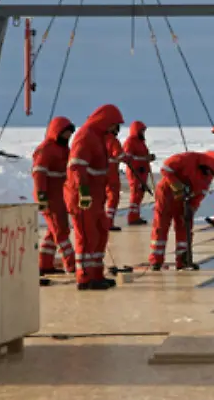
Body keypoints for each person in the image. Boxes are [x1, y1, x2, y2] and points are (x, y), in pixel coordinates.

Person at [65, 104, 125, 291]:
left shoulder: (99, 138)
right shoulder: (85, 137)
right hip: (83, 198)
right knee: (86, 237)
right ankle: (84, 278)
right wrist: (83, 191)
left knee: (100, 234)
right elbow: (77, 166)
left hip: (96, 197)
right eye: (115, 125)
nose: (116, 130)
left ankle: (96, 275)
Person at [148, 151, 214, 270]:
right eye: (210, 171)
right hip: (166, 194)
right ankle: (156, 260)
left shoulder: (207, 177)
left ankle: (183, 260)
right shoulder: (188, 158)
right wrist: (175, 183)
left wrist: (192, 208)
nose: (210, 174)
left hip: (185, 199)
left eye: (213, 173)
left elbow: (201, 193)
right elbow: (165, 168)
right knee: (161, 225)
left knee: (185, 227)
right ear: (206, 164)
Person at [33, 117, 76, 275]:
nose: (67, 137)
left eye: (69, 134)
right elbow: (39, 174)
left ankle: (45, 264)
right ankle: (71, 265)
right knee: (61, 231)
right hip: (50, 197)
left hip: (61, 196)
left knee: (53, 232)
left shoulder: (64, 150)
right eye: (65, 133)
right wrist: (41, 196)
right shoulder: (46, 149)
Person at [122, 120, 155, 225]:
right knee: (135, 194)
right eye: (141, 131)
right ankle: (132, 217)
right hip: (135, 172)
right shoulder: (130, 142)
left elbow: (143, 155)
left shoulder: (141, 142)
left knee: (140, 194)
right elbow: (128, 157)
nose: (143, 133)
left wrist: (149, 158)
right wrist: (144, 158)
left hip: (142, 172)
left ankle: (136, 216)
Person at [104, 130, 125, 232]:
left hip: (99, 172)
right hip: (111, 173)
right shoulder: (113, 140)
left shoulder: (97, 139)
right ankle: (108, 222)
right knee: (113, 197)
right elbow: (119, 155)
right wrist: (126, 158)